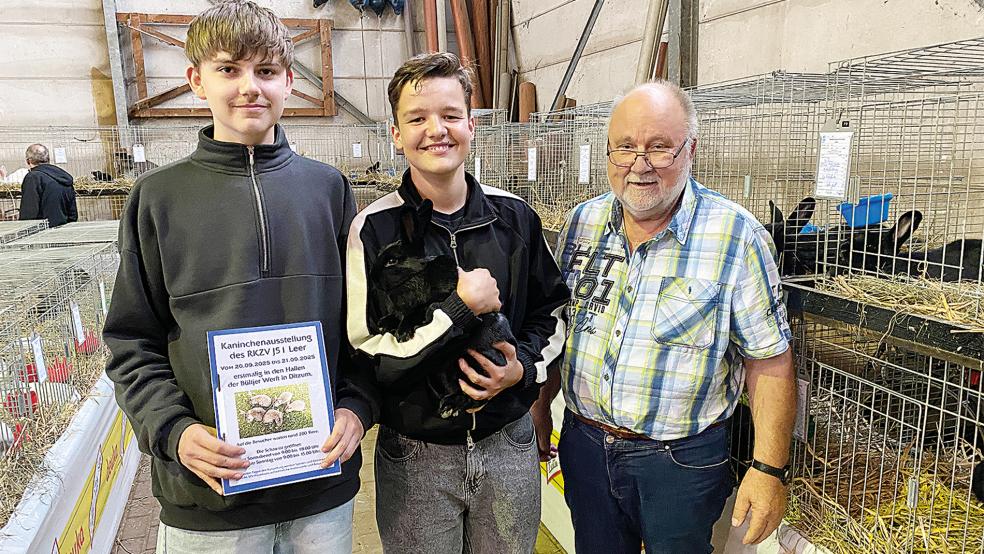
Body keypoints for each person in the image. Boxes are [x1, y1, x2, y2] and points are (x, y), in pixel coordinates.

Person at [102, 2, 374, 552]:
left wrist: (356, 405)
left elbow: (364, 327)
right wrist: (175, 432)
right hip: (207, 501)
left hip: (319, 492)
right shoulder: (158, 198)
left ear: (290, 82)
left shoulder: (329, 190)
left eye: (267, 71)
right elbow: (131, 340)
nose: (250, 87)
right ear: (195, 80)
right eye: (229, 69)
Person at [532, 81, 797, 553]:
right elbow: (559, 333)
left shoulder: (735, 237)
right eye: (626, 147)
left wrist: (768, 469)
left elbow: (769, 361)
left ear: (690, 149)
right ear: (608, 152)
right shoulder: (581, 224)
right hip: (585, 446)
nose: (640, 164)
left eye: (659, 147)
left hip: (679, 461)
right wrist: (538, 411)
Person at [346, 52, 569, 553]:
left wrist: (522, 371)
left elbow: (551, 312)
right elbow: (367, 351)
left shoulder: (516, 218)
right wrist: (459, 310)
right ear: (395, 133)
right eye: (417, 118)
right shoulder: (372, 230)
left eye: (450, 115)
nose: (436, 130)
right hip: (416, 452)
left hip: (506, 443)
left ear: (471, 123)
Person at [19, 143, 77, 227]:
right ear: (48, 159)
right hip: (64, 231)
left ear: (28, 161)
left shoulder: (33, 177)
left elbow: (29, 212)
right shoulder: (64, 177)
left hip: (42, 234)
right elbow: (73, 214)